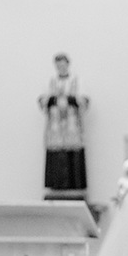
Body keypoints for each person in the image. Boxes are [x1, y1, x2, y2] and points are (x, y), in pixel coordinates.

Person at [38, 52, 89, 197]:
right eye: (58, 65)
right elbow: (43, 100)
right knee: (56, 156)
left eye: (63, 65)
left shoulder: (75, 81)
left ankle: (74, 186)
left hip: (72, 124)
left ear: (68, 65)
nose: (61, 68)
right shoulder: (51, 81)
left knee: (73, 154)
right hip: (56, 126)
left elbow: (84, 100)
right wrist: (53, 100)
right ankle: (56, 186)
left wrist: (70, 100)